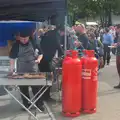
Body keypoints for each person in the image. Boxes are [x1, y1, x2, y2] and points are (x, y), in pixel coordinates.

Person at [9, 28, 44, 111]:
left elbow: (41, 53)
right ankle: (26, 104)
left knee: (36, 88)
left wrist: (39, 59)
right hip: (21, 69)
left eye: (25, 38)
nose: (24, 40)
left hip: (33, 68)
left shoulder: (34, 42)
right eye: (22, 39)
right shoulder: (16, 45)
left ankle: (39, 104)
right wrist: (12, 69)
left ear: (29, 37)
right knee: (23, 89)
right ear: (19, 38)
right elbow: (12, 58)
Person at [38, 25, 64, 101]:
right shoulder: (55, 36)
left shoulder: (48, 34)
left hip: (42, 58)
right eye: (63, 33)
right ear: (60, 31)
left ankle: (42, 96)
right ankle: (46, 97)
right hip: (47, 60)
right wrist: (63, 55)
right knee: (48, 78)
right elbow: (59, 47)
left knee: (43, 78)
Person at [114, 24, 120, 88]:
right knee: (118, 69)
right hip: (118, 53)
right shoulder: (118, 35)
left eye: (116, 29)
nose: (116, 30)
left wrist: (117, 45)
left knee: (119, 68)